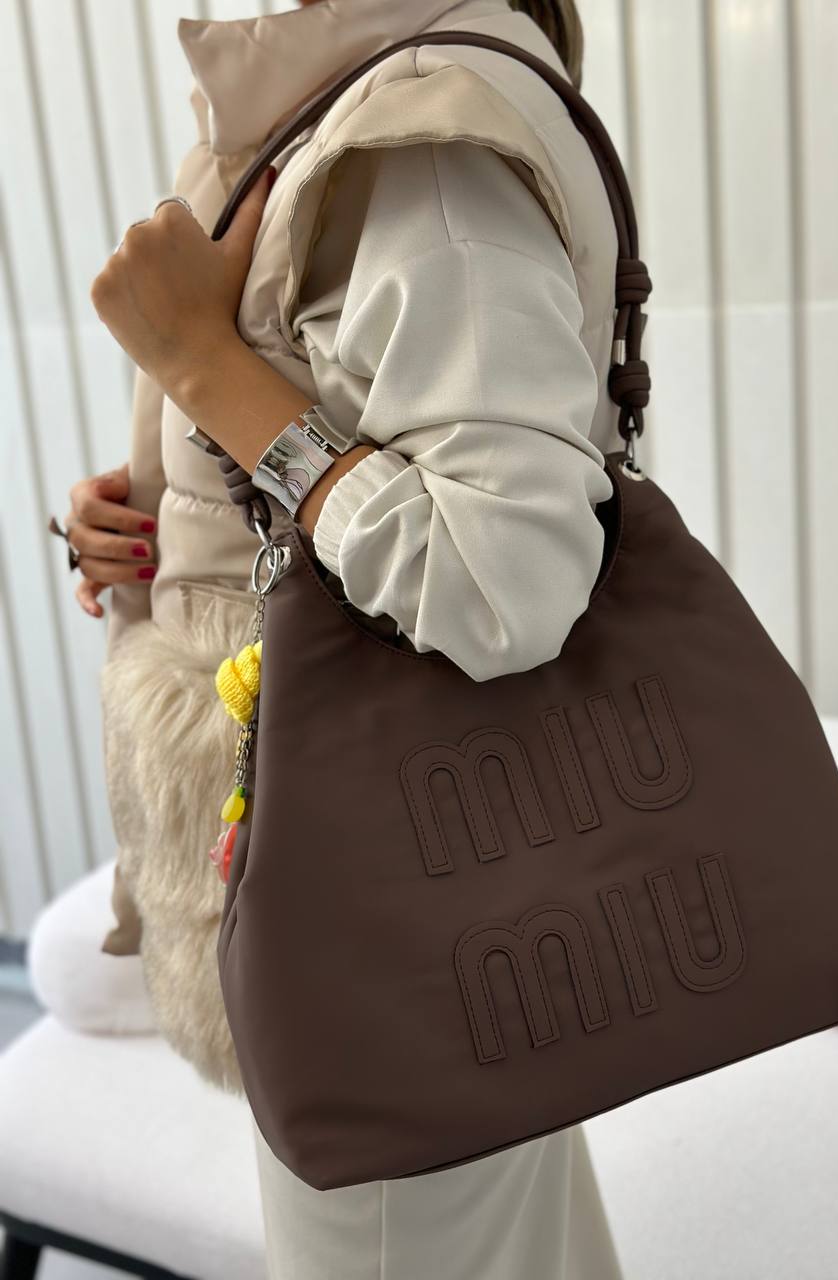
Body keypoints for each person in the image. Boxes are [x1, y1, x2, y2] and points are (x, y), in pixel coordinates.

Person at [60, 0, 627, 1275]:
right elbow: (338, 459)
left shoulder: (420, 141)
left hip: (385, 919)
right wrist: (156, 514)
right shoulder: (344, 119)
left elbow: (502, 577)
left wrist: (201, 364)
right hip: (427, 877)